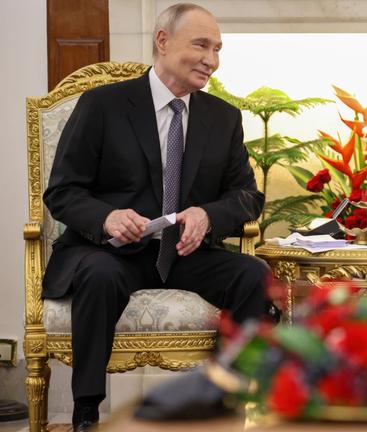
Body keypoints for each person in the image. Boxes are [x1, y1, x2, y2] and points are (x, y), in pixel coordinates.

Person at [43, 3, 270, 430]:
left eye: (218, 49)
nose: (212, 59)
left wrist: (207, 213)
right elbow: (62, 191)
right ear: (162, 42)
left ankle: (223, 403)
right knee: (99, 275)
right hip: (111, 253)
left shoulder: (223, 118)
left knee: (254, 274)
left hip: (184, 254)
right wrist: (107, 216)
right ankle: (86, 414)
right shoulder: (102, 105)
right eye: (201, 45)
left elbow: (247, 197)